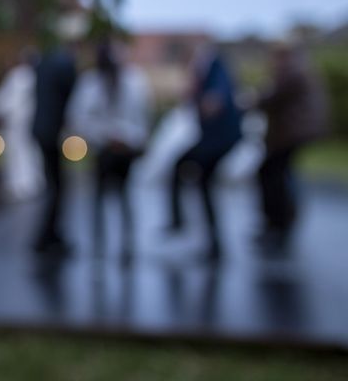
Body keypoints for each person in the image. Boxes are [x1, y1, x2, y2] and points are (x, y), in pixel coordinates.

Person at [68, 41, 152, 262]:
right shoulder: (91, 84)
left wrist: (127, 139)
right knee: (99, 198)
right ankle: (100, 243)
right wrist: (106, 137)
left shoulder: (133, 81)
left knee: (124, 197)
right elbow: (80, 119)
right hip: (103, 150)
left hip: (124, 151)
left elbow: (141, 118)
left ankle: (127, 244)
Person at [167, 44, 242, 260]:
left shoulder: (215, 67)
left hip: (219, 140)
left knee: (182, 167)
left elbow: (214, 103)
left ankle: (179, 222)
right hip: (214, 139)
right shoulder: (211, 69)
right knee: (203, 184)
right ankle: (214, 244)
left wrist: (195, 95)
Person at [254, 44, 327, 255]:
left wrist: (253, 99)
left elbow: (271, 97)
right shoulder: (299, 68)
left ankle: (280, 224)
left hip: (291, 132)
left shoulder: (291, 71)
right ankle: (280, 223)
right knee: (280, 172)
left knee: (274, 173)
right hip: (295, 131)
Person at [32, 45, 77, 255]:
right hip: (51, 132)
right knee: (57, 187)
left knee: (55, 185)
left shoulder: (45, 64)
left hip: (42, 130)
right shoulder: (65, 67)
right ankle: (46, 237)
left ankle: (50, 234)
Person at [0, 47, 44, 202]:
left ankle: (18, 185)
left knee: (16, 153)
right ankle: (32, 183)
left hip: (16, 121)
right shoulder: (34, 76)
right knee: (30, 151)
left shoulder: (17, 76)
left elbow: (4, 100)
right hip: (30, 120)